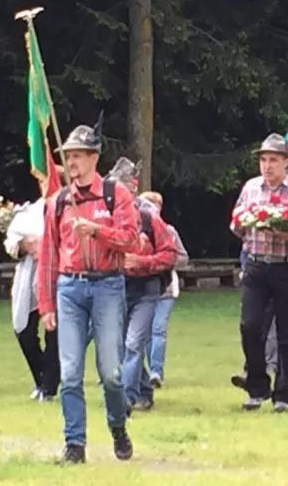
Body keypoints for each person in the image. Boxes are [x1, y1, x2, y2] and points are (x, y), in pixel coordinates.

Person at [36, 122, 142, 464]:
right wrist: (46, 303)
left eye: (79, 156)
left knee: (111, 373)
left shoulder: (116, 194)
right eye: (68, 157)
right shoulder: (58, 201)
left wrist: (97, 230)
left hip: (108, 285)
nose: (72, 163)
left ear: (94, 158)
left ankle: (117, 425)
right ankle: (74, 444)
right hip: (69, 288)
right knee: (69, 372)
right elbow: (48, 254)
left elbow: (131, 240)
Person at [230, 133, 288, 412]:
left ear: (286, 163)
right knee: (250, 327)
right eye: (263, 160)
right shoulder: (251, 188)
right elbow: (236, 223)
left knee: (287, 333)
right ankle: (257, 386)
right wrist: (246, 223)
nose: (267, 166)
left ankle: (282, 394)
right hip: (256, 264)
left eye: (273, 160)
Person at [108, 159, 179, 412]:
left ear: (132, 189)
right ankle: (144, 391)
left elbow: (171, 254)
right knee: (119, 346)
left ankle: (125, 399)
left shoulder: (150, 218)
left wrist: (143, 261)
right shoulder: (106, 217)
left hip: (147, 290)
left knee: (133, 344)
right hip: (114, 287)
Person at [5, 198, 59, 402]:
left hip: (58, 274)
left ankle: (49, 386)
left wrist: (46, 246)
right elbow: (11, 244)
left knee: (54, 332)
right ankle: (41, 377)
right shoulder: (29, 212)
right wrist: (24, 245)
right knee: (24, 331)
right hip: (29, 276)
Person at [140, 190, 189, 388]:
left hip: (166, 290)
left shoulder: (169, 231)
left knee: (158, 329)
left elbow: (183, 259)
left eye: (154, 206)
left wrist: (164, 262)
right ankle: (144, 372)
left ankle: (156, 372)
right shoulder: (135, 229)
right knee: (143, 333)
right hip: (143, 289)